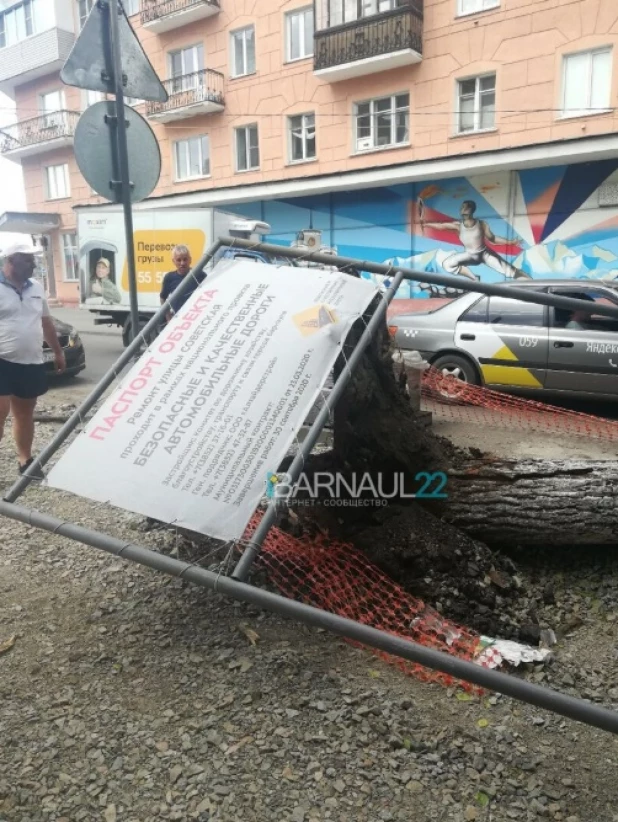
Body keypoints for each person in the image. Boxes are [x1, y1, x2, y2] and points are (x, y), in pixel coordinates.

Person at [0, 243, 65, 476]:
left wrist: (58, 351)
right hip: (2, 360)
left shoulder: (36, 287)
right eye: (28, 260)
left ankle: (25, 461)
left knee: (25, 413)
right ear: (11, 261)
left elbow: (46, 322)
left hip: (30, 361)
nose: (34, 264)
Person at [421, 200, 531, 281]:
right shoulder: (458, 226)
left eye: (465, 207)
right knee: (448, 264)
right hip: (469, 255)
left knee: (511, 272)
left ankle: (532, 283)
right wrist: (426, 224)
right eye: (461, 207)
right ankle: (474, 279)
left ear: (471, 210)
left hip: (485, 254)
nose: (462, 210)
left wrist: (511, 242)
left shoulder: (482, 224)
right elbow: (441, 226)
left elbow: (492, 239)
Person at [159, 245, 206, 323]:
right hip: (179, 321)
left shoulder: (200, 275)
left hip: (197, 320)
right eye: (178, 260)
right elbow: (162, 298)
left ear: (190, 260)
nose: (182, 263)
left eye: (185, 259)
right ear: (173, 261)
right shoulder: (169, 278)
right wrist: (169, 318)